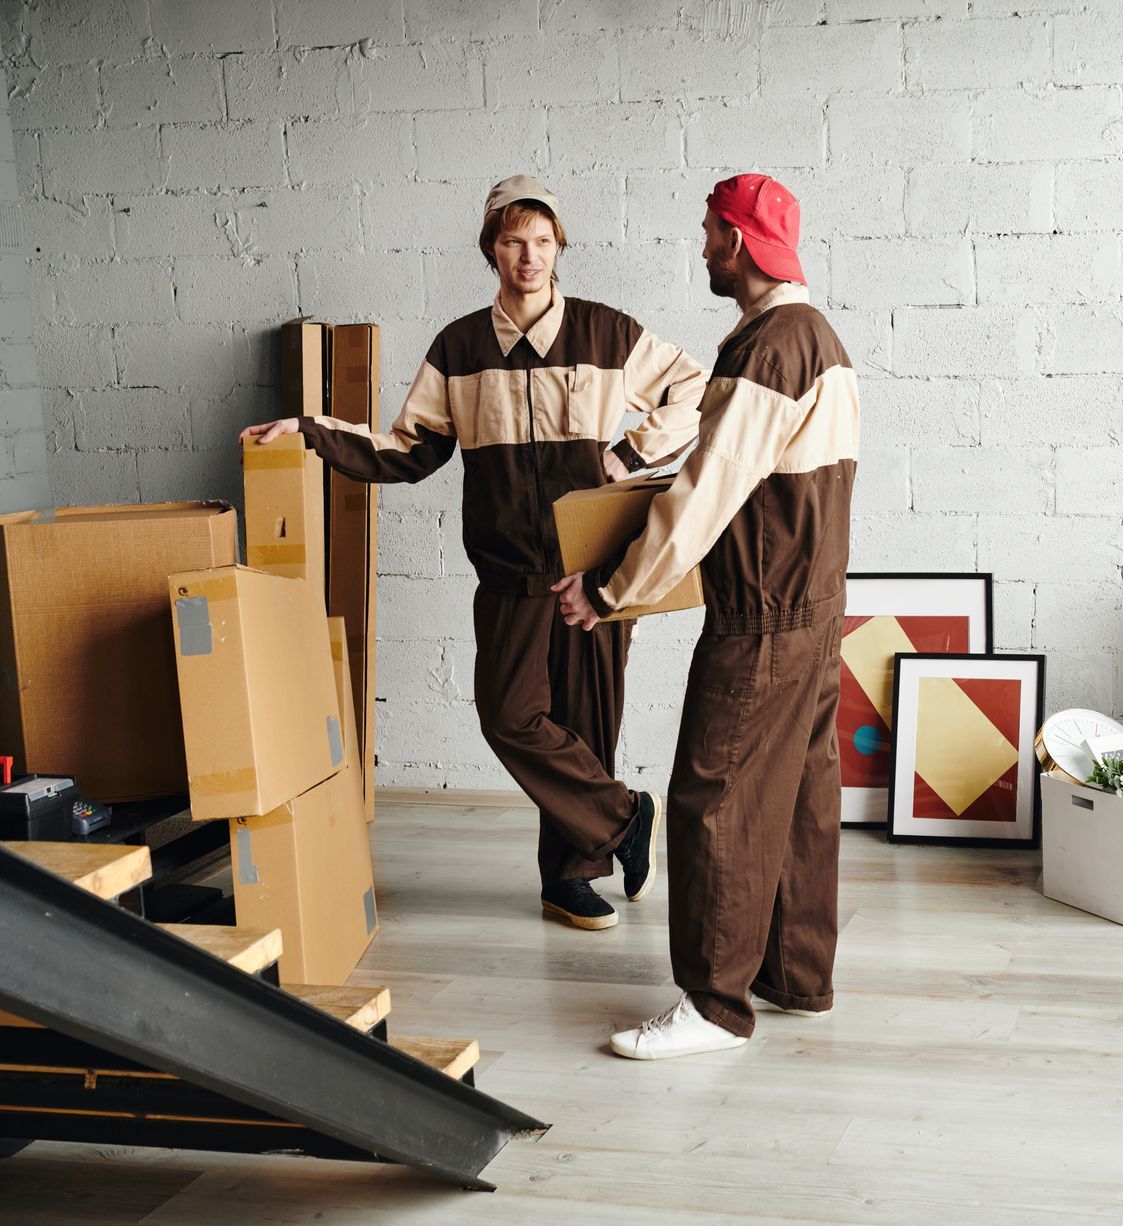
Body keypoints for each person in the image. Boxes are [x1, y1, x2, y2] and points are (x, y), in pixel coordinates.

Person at [239, 175, 708, 932]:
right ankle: (625, 818)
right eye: (514, 240)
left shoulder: (607, 333)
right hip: (509, 571)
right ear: (491, 247)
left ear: (561, 249)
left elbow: (697, 387)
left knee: (588, 725)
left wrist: (627, 451)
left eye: (544, 241)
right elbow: (406, 450)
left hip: (597, 568)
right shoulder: (457, 348)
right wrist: (311, 430)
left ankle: (569, 881)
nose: (530, 255)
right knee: (509, 715)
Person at [554, 174, 859, 1060]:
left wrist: (612, 589)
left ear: (739, 239)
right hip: (814, 608)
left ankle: (715, 1007)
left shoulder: (768, 347)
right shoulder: (821, 339)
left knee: (713, 798)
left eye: (709, 234)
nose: (702, 250)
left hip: (761, 618)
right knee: (801, 796)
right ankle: (796, 976)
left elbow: (705, 497)